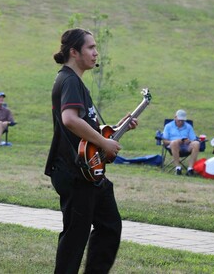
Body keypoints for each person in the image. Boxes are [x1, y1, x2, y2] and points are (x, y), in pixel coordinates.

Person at [44, 28, 138, 274]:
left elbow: (87, 131)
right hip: (74, 172)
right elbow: (70, 120)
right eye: (91, 48)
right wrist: (104, 143)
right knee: (76, 236)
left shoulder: (74, 82)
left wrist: (118, 130)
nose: (96, 53)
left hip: (88, 172)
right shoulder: (70, 80)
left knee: (109, 226)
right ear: (74, 52)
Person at [162, 109, 199, 176]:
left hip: (186, 146)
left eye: (183, 120)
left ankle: (190, 169)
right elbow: (164, 141)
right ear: (175, 117)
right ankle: (178, 168)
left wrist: (189, 141)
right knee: (174, 143)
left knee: (196, 143)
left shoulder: (188, 126)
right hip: (173, 147)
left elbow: (193, 139)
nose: (181, 122)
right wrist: (176, 141)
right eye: (179, 120)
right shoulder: (168, 126)